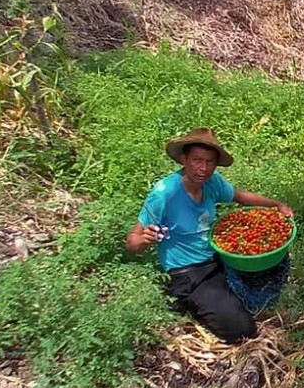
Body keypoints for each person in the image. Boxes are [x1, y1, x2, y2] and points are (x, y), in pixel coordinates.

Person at [125, 127, 293, 343]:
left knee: (270, 265)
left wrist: (276, 205)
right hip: (188, 272)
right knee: (243, 330)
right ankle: (184, 299)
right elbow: (132, 242)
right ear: (184, 160)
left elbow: (240, 196)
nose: (203, 168)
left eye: (209, 162)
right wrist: (143, 240)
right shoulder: (164, 193)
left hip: (216, 256)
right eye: (196, 160)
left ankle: (218, 296)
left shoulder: (211, 182)